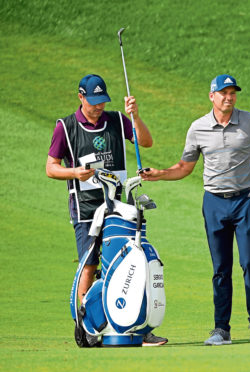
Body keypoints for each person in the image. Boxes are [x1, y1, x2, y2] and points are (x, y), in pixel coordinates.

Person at [141, 74, 250, 345]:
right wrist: (159, 173)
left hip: (246, 200)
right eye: (224, 92)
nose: (229, 97)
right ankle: (221, 329)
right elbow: (184, 167)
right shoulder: (198, 128)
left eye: (233, 93)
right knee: (220, 268)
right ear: (212, 96)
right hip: (214, 202)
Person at [46, 74, 168, 346]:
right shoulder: (65, 127)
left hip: (117, 206)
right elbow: (51, 166)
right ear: (81, 97)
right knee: (89, 267)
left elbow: (145, 142)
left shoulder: (116, 119)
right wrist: (73, 172)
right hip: (86, 209)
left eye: (102, 101)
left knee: (127, 264)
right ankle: (88, 328)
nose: (98, 106)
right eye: (93, 102)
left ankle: (134, 326)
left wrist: (135, 116)